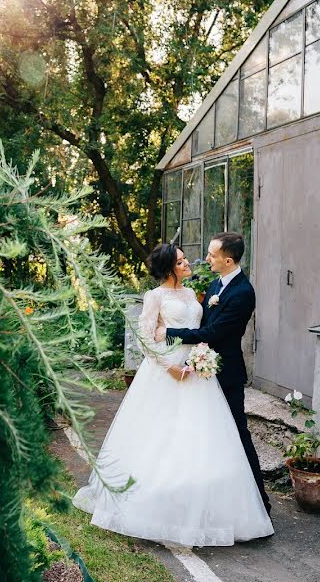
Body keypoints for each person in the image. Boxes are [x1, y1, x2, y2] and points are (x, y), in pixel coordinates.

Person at [72, 243, 273, 547]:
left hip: (198, 371)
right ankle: (156, 504)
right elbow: (144, 338)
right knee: (161, 435)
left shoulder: (194, 294)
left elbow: (206, 329)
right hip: (167, 372)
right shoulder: (155, 297)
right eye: (181, 261)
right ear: (169, 268)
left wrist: (186, 348)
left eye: (185, 259)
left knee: (203, 438)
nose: (189, 262)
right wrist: (169, 367)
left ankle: (205, 502)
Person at [156, 232, 272, 515]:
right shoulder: (215, 284)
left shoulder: (243, 292)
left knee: (237, 434)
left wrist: (168, 332)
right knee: (202, 436)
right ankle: (204, 499)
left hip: (226, 373)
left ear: (228, 259)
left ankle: (259, 502)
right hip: (201, 370)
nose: (206, 258)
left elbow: (213, 333)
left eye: (212, 254)